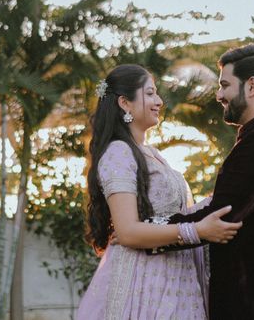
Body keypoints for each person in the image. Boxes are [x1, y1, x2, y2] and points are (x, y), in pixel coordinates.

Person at [151, 43, 254, 319]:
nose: (219, 95)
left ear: (252, 86)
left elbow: (221, 215)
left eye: (225, 85)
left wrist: (148, 231)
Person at [76, 64, 242, 320]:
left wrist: (223, 199)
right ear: (125, 103)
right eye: (150, 93)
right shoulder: (119, 152)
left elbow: (178, 214)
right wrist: (196, 231)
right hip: (145, 285)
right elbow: (127, 231)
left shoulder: (152, 155)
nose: (159, 101)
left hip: (176, 282)